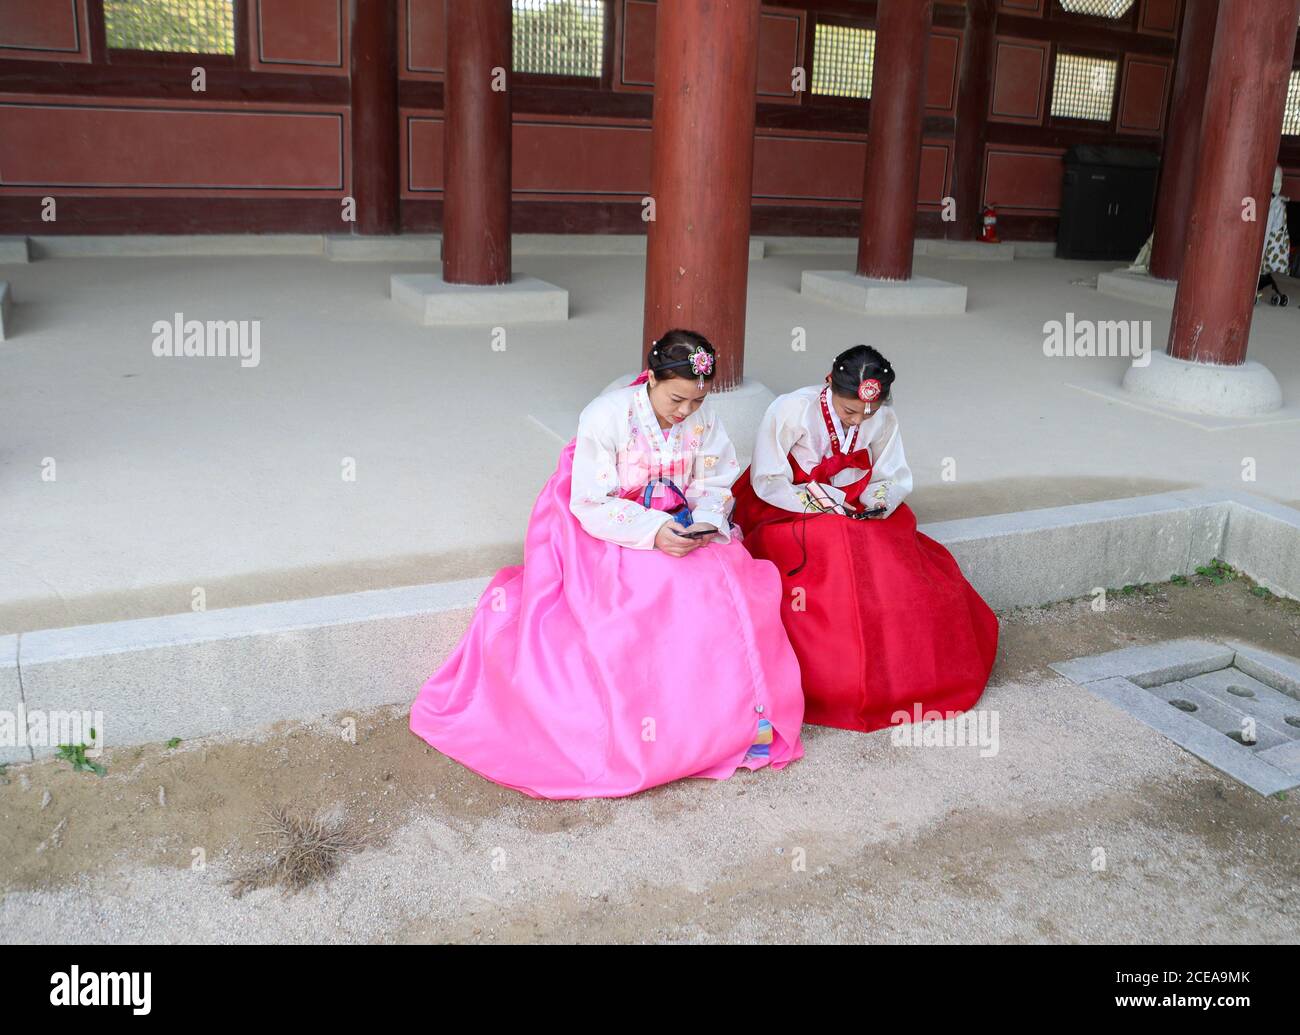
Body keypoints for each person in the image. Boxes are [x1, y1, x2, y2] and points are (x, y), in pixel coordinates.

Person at [409, 329, 805, 799]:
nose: (685, 412)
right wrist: (652, 531)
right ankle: (660, 740)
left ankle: (732, 728)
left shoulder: (702, 416)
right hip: (610, 522)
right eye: (676, 399)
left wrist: (702, 519)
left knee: (725, 579)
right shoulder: (606, 415)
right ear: (651, 379)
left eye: (696, 403)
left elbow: (715, 479)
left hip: (679, 520)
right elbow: (591, 500)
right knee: (661, 589)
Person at [730, 345, 998, 734]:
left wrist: (875, 501)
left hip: (854, 501)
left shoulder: (882, 417)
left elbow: (892, 474)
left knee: (889, 551)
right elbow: (767, 479)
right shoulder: (792, 409)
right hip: (788, 502)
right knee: (834, 549)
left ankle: (907, 674)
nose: (859, 420)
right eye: (849, 411)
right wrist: (826, 503)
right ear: (829, 385)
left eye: (867, 413)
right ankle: (836, 684)